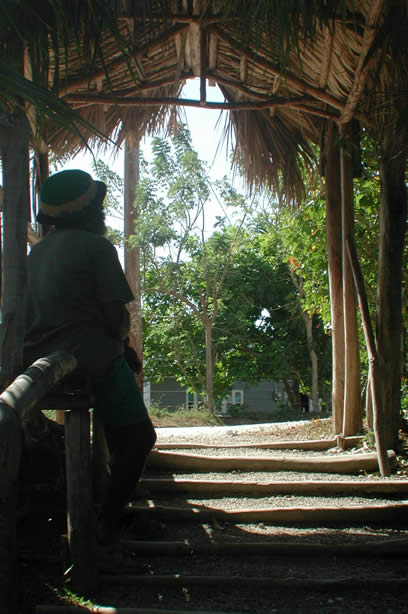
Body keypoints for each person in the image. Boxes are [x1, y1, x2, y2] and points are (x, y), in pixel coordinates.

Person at [24, 168, 157, 548]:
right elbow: (116, 319)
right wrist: (122, 347)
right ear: (91, 215)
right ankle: (106, 522)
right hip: (87, 360)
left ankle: (99, 506)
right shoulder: (98, 248)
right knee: (138, 439)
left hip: (37, 364)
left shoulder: (36, 255)